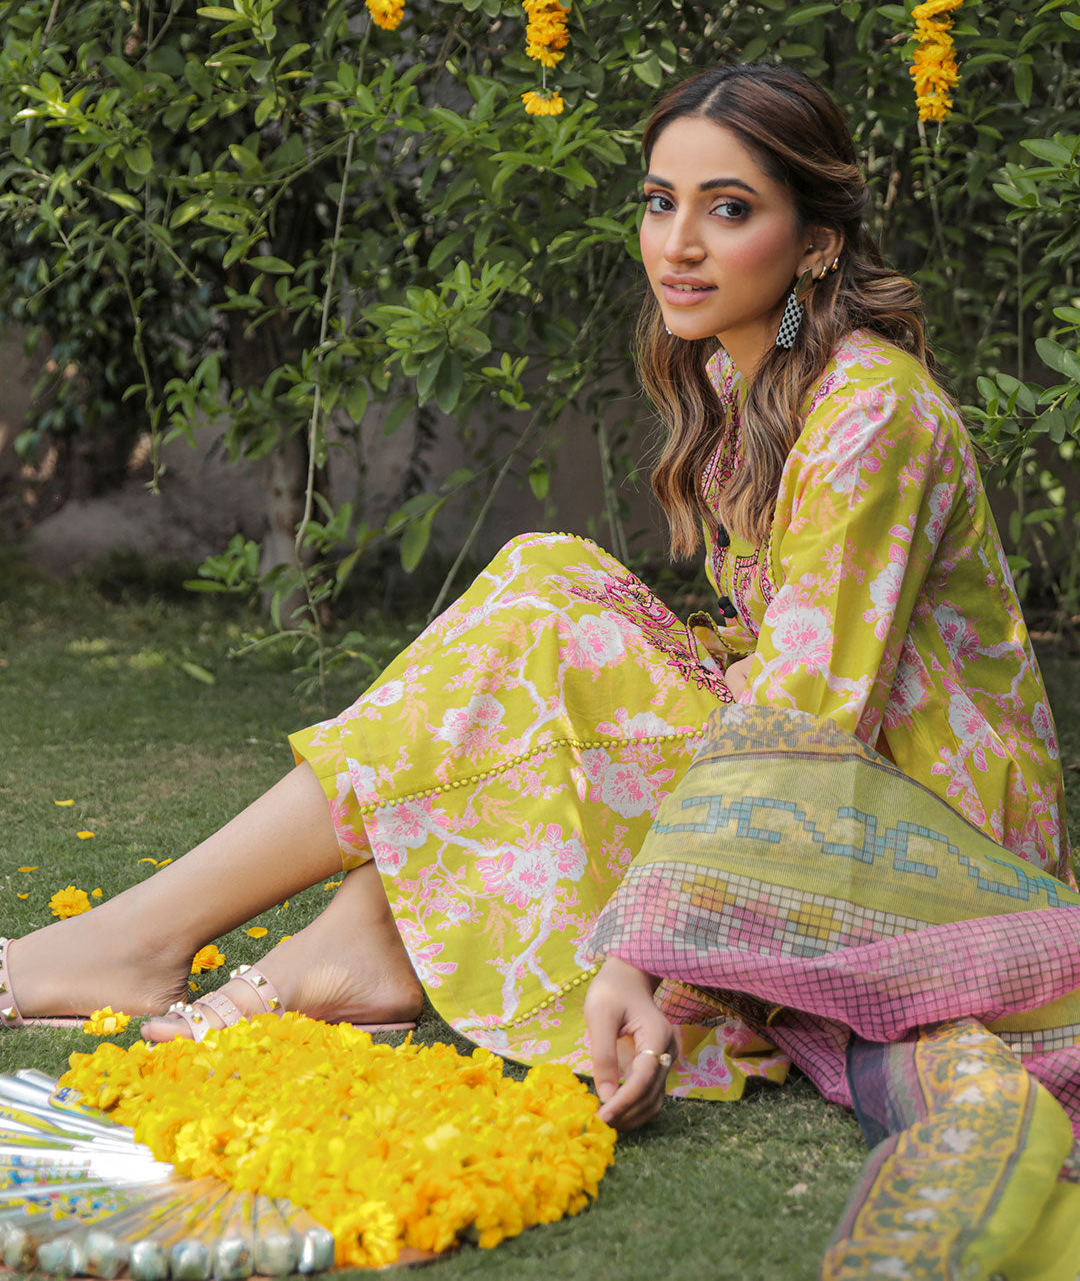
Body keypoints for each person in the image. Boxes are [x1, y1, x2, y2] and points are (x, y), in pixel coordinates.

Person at [3, 64, 1078, 1274]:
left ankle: (188, 941)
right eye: (660, 201)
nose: (679, 243)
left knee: (549, 620)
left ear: (818, 242)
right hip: (830, 776)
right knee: (546, 583)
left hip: (934, 846)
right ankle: (336, 944)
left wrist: (639, 953)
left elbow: (802, 720)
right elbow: (772, 663)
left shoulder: (873, 407)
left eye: (728, 208)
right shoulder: (750, 378)